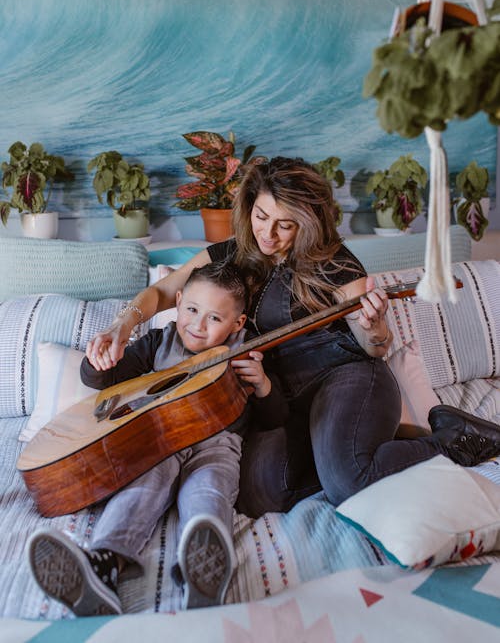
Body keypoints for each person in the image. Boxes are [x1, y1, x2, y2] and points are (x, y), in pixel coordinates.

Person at [84, 156, 500, 519]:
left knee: (347, 483)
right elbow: (160, 293)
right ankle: (370, 445)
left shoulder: (334, 263)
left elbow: (375, 346)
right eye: (261, 217)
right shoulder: (230, 253)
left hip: (345, 382)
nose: (268, 234)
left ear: (307, 222)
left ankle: (452, 438)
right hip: (278, 400)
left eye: (285, 225)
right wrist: (123, 324)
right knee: (257, 494)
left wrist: (374, 328)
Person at [27, 262, 288, 616]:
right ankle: (102, 566)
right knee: (141, 489)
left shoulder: (249, 351)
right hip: (159, 442)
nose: (197, 325)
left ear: (236, 324)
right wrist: (99, 362)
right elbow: (107, 383)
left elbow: (276, 417)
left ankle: (206, 571)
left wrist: (263, 385)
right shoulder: (157, 342)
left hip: (218, 443)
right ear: (177, 302)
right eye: (192, 310)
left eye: (214, 319)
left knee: (210, 490)